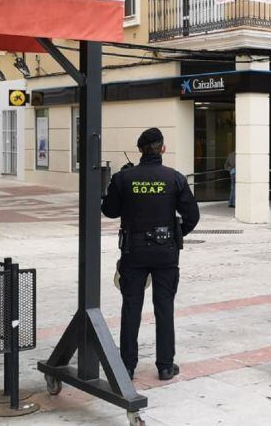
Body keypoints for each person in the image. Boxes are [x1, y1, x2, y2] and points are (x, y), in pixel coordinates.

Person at [102, 128, 200, 381]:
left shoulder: (124, 178)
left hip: (133, 252)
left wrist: (117, 185)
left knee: (131, 307)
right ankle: (166, 366)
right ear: (163, 149)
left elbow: (110, 211)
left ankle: (127, 366)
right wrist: (177, 234)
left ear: (140, 150)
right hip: (165, 253)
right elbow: (193, 216)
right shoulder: (175, 178)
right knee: (164, 308)